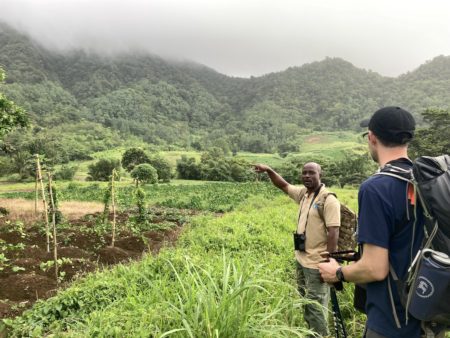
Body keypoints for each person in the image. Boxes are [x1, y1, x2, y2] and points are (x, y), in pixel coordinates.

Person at [318, 106, 427, 338]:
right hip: (427, 314)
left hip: (391, 321)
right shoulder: (427, 183)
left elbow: (375, 268)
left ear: (372, 137)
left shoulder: (376, 188)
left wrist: (337, 273)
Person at [254, 162, 340, 337]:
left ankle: (320, 335)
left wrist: (328, 262)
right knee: (306, 301)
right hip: (301, 259)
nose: (307, 176)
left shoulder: (328, 199)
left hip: (317, 263)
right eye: (304, 173)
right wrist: (270, 170)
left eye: (311, 173)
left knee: (316, 305)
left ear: (320, 175)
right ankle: (311, 333)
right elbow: (283, 185)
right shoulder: (303, 194)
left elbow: (333, 233)